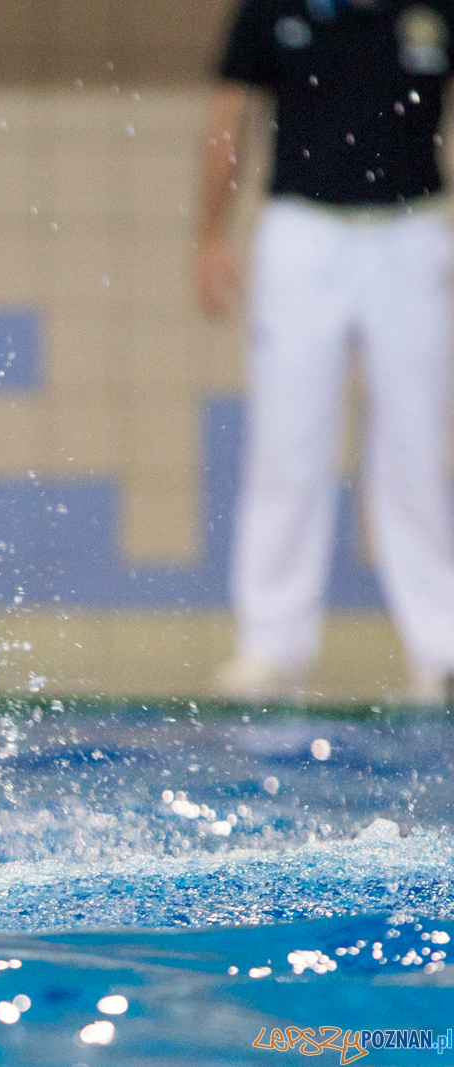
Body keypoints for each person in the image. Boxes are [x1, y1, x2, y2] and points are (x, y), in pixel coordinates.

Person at [197, 0, 454, 701]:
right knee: (288, 441)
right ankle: (271, 645)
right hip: (303, 231)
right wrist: (211, 235)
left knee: (416, 446)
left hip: (414, 228)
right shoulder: (273, 9)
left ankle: (441, 643)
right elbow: (230, 117)